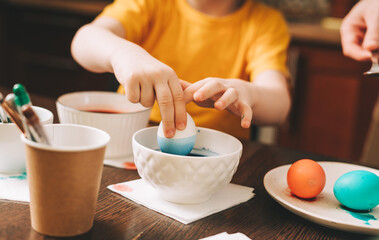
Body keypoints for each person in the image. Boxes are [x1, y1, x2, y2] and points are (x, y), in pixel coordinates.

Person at [71, 0, 291, 140]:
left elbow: (279, 106)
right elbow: (84, 40)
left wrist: (250, 93)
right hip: (130, 140)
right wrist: (122, 54)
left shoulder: (265, 23)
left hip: (212, 156)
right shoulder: (150, 4)